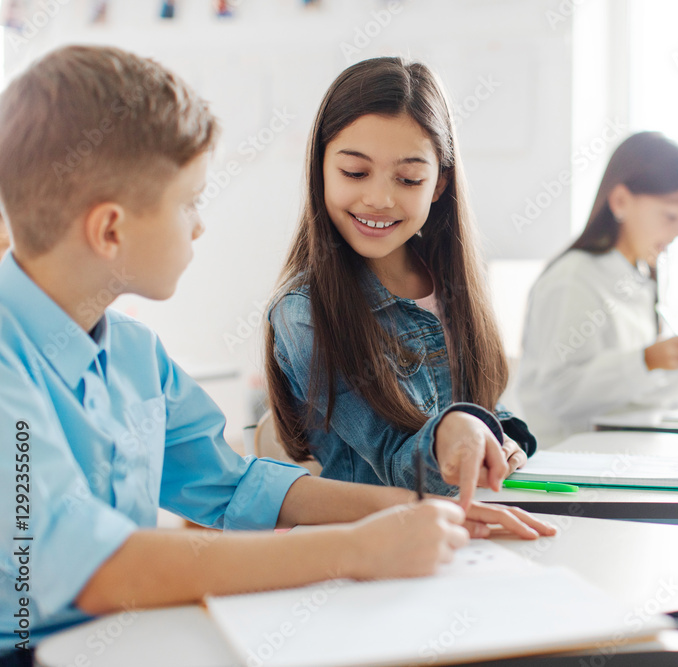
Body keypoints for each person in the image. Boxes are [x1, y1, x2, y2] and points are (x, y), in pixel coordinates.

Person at [0, 45, 552, 662]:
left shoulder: (133, 352)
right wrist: (355, 550)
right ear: (111, 230)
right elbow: (95, 569)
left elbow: (237, 486)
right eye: (189, 202)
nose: (199, 226)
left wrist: (423, 513)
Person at [266, 57, 539, 508]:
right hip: (368, 551)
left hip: (463, 531)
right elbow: (398, 465)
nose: (379, 198)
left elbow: (486, 408)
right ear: (319, 169)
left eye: (408, 178)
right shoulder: (304, 312)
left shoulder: (451, 286)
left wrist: (501, 436)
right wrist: (460, 432)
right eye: (355, 172)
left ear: (437, 185)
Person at [515, 132, 678, 445]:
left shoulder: (640, 276)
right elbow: (558, 393)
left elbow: (637, 393)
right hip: (567, 462)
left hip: (621, 452)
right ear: (621, 200)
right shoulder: (573, 278)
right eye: (670, 215)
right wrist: (647, 360)